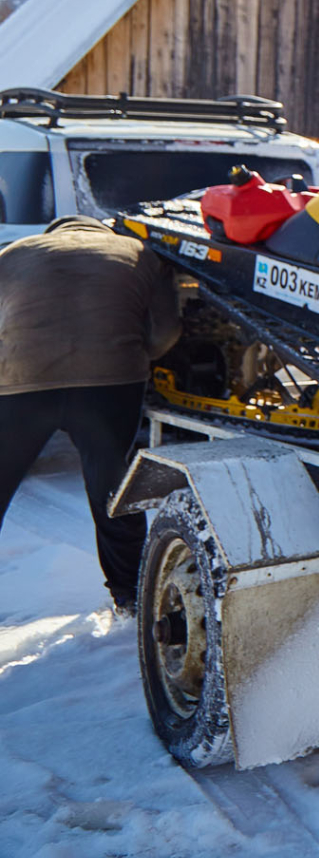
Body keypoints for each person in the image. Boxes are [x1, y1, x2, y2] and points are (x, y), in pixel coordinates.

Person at [0, 215, 179, 610]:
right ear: (104, 232)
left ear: (53, 234)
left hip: (23, 382)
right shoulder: (140, 253)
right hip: (109, 382)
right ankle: (130, 597)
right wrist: (138, 353)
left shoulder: (14, 253)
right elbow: (166, 330)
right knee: (111, 489)